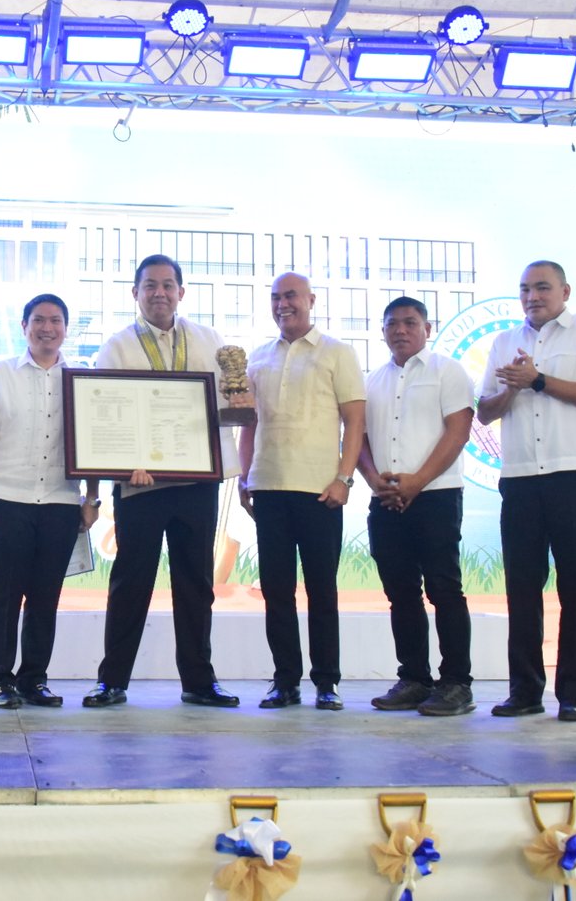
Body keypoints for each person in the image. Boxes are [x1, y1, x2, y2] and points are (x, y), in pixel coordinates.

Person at [82, 254, 241, 709]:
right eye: (150, 285)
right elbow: (105, 414)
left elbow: (229, 405)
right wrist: (123, 463)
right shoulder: (116, 347)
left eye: (168, 285)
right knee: (131, 583)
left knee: (196, 583)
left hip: (197, 484)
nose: (159, 293)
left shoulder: (210, 341)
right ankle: (112, 681)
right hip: (140, 485)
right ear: (135, 293)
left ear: (181, 293)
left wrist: (237, 402)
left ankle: (199, 681)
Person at [477, 260, 576, 722]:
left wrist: (538, 380)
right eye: (525, 289)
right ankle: (524, 692)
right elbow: (484, 411)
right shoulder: (504, 341)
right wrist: (513, 389)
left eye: (542, 287)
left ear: (565, 291)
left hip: (573, 474)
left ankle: (572, 695)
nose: (532, 296)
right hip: (520, 477)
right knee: (521, 589)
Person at [239, 272, 366, 711]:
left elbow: (355, 421)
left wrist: (344, 479)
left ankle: (327, 683)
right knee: (276, 592)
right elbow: (249, 423)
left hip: (320, 491)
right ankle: (285, 681)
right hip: (268, 488)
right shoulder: (258, 357)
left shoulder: (337, 352)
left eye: (291, 296)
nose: (283, 304)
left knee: (322, 591)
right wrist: (244, 477)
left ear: (311, 300)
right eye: (276, 297)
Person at [0, 294, 99, 709]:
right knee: (4, 599)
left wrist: (92, 498)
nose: (48, 328)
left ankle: (34, 680)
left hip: (61, 502)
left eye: (56, 321)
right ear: (24, 326)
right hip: (7, 499)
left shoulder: (80, 379)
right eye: (39, 320)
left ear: (66, 328)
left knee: (46, 599)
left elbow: (92, 443)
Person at [357, 296, 476, 717]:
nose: (401, 330)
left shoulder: (448, 371)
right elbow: (359, 438)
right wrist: (374, 481)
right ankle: (413, 679)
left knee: (445, 589)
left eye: (410, 322)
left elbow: (458, 432)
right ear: (383, 331)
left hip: (436, 496)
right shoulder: (371, 381)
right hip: (386, 499)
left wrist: (417, 482)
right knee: (401, 593)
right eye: (393, 324)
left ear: (427, 327)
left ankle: (457, 683)